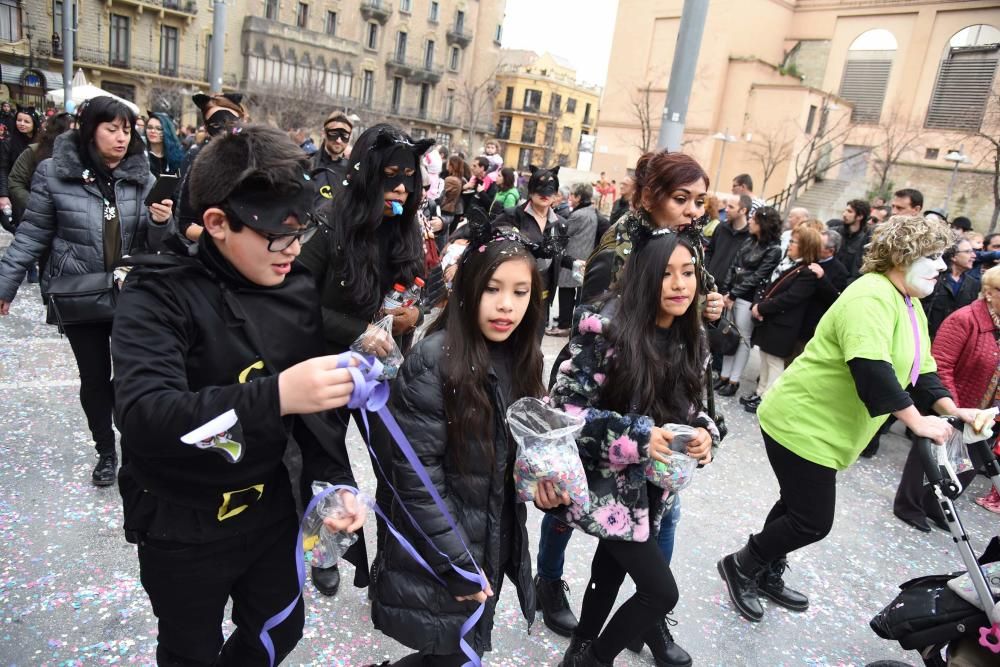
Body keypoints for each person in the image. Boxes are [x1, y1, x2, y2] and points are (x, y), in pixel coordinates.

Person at [111, 124, 366, 666]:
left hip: (271, 508)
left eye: (301, 232)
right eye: (278, 234)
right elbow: (144, 417)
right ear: (218, 223)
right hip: (183, 520)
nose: (293, 250)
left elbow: (314, 417)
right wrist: (273, 396)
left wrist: (333, 486)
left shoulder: (294, 287)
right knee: (190, 649)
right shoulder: (156, 294)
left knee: (279, 630)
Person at [717, 214, 986, 623]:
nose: (941, 266)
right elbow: (871, 369)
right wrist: (916, 422)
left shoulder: (908, 302)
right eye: (931, 256)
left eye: (942, 257)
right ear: (901, 256)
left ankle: (766, 568)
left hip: (828, 428)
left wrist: (951, 409)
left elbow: (922, 370)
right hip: (801, 421)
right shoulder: (870, 296)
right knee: (812, 520)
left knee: (795, 505)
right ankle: (742, 564)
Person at [536, 150, 722, 666]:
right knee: (660, 592)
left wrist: (704, 435)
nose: (683, 284)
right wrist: (640, 437)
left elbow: (695, 407)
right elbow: (567, 409)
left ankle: (580, 652)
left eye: (690, 274)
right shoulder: (608, 316)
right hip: (603, 482)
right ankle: (591, 650)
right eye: (671, 275)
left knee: (610, 570)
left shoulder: (689, 334)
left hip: (650, 483)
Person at [370, 221, 556, 666]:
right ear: (469, 288)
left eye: (520, 292)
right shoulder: (433, 361)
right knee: (448, 654)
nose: (506, 306)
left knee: (457, 651)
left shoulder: (522, 357)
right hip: (446, 546)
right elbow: (417, 481)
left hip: (488, 537)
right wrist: (457, 563)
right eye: (493, 288)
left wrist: (547, 483)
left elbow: (517, 452)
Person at [0, 96, 171, 485]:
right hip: (79, 294)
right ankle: (105, 452)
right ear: (89, 130)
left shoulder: (143, 177)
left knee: (131, 377)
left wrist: (162, 222)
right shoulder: (52, 174)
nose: (121, 138)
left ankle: (135, 448)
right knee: (94, 378)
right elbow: (32, 235)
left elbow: (157, 242)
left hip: (131, 295)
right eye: (111, 129)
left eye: (127, 130)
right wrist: (5, 284)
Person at [297, 123, 431, 596]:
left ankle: (395, 568)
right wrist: (357, 332)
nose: (401, 186)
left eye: (409, 177)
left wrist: (410, 315)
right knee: (326, 466)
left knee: (398, 467)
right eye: (390, 174)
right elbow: (296, 303)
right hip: (329, 367)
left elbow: (413, 293)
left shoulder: (407, 227)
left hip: (384, 371)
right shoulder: (331, 222)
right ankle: (327, 549)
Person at [894, 265, 1000, 527]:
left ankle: (937, 504)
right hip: (954, 402)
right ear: (988, 292)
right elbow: (940, 364)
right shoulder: (965, 319)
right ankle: (910, 504)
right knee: (930, 457)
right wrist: (950, 407)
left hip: (986, 411)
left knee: (968, 461)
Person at [741, 225, 823, 412]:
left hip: (783, 325)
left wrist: (761, 307)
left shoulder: (806, 272)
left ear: (805, 246)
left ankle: (767, 399)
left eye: (794, 242)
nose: (790, 245)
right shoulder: (787, 264)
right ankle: (760, 391)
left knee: (774, 363)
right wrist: (758, 304)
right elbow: (768, 287)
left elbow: (790, 298)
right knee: (763, 358)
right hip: (770, 322)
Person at [717, 206, 783, 397]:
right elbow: (733, 266)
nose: (751, 222)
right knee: (728, 335)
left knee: (743, 339)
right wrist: (726, 292)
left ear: (764, 223)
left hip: (746, 298)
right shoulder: (749, 241)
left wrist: (733, 294)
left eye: (754, 219)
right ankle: (723, 376)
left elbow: (757, 276)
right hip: (731, 296)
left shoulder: (773, 249)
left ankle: (734, 380)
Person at [6, 112, 74, 282]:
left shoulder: (82, 155)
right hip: (39, 217)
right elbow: (15, 181)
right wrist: (36, 204)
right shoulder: (34, 152)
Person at [177, 93, 249, 242]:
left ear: (242, 121)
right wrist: (221, 239)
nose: (223, 130)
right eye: (215, 125)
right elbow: (185, 222)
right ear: (206, 127)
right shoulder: (197, 159)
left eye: (230, 122)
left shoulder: (260, 157)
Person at [547, 182, 598, 336]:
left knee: (566, 292)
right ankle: (570, 321)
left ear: (579, 197)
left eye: (573, 194)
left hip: (573, 258)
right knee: (578, 294)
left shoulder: (578, 215)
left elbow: (564, 231)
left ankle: (564, 325)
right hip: (585, 256)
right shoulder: (591, 212)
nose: (570, 197)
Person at [796, 228, 849, 351]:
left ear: (830, 251)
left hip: (810, 325)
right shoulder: (808, 259)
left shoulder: (840, 271)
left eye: (819, 245)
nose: (814, 246)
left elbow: (836, 299)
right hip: (794, 319)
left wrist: (822, 278)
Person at [925, 237, 980, 339]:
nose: (974, 255)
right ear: (953, 256)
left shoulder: (973, 284)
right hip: (928, 337)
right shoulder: (934, 279)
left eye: (973, 251)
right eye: (968, 252)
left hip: (955, 339)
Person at [0, 106, 39, 222]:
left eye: (26, 121)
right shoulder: (8, 143)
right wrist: (3, 195)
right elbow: (3, 169)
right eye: (19, 120)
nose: (21, 124)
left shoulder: (41, 143)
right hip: (15, 191)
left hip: (36, 191)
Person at [311, 111, 353, 209]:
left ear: (350, 138)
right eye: (334, 133)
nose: (338, 140)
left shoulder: (353, 171)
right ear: (324, 134)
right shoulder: (308, 165)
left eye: (344, 135)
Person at [827, 199, 871, 282]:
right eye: (845, 211)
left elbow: (858, 270)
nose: (844, 214)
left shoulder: (864, 241)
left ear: (860, 216)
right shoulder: (832, 233)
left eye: (849, 212)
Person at [144, 112, 184, 177]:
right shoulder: (141, 157)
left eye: (159, 128)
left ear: (167, 132)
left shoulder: (174, 158)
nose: (153, 131)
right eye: (149, 127)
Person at [441, 154, 466, 234]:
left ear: (452, 165)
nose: (446, 165)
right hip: (452, 211)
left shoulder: (450, 180)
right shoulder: (460, 179)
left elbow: (443, 196)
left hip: (446, 210)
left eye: (448, 163)